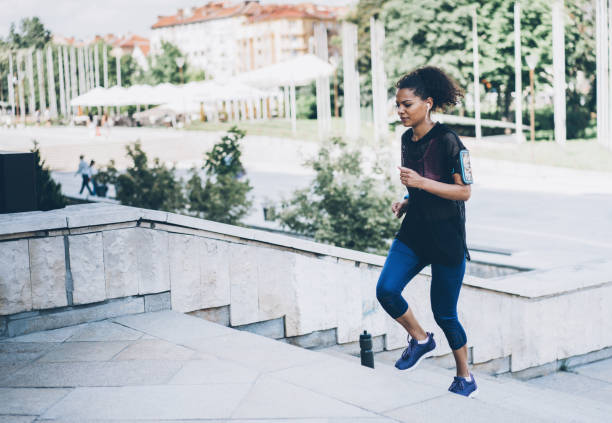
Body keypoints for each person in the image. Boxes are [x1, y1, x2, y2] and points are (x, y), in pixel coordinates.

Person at [376, 66, 476, 397]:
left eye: (407, 104)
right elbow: (421, 185)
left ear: (428, 103)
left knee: (445, 313)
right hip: (414, 233)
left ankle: (465, 376)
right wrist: (408, 199)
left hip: (447, 240)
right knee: (387, 290)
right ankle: (420, 339)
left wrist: (420, 184)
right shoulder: (407, 139)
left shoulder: (449, 141)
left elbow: (464, 192)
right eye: (398, 105)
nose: (401, 111)